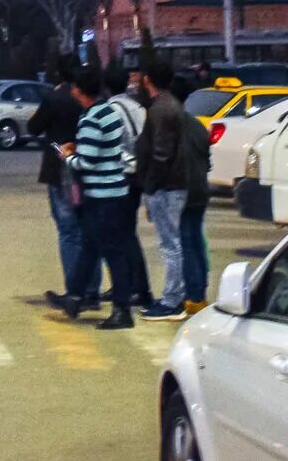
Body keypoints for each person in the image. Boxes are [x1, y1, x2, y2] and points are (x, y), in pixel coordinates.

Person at [60, 77, 135, 329]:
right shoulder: (110, 112)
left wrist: (68, 157)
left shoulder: (90, 118)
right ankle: (75, 297)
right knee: (91, 246)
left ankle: (122, 310)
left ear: (79, 90)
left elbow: (87, 162)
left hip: (101, 196)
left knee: (111, 251)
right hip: (116, 191)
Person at [30, 61, 100, 308]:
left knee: (69, 231)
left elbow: (33, 127)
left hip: (61, 168)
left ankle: (75, 290)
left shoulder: (55, 98)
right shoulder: (96, 101)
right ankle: (92, 289)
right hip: (89, 168)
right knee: (87, 230)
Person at [136, 59, 190, 321]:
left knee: (170, 244)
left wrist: (150, 186)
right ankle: (174, 296)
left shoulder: (161, 109)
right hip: (173, 184)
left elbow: (161, 153)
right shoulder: (170, 106)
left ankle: (172, 300)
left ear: (148, 80)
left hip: (167, 186)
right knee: (173, 243)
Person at [104, 68, 153, 310]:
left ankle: (138, 288)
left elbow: (113, 146)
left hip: (122, 174)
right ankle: (125, 284)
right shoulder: (139, 108)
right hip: (139, 175)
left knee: (122, 235)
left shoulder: (111, 111)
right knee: (126, 232)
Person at [179, 109, 213, 316]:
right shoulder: (198, 124)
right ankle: (199, 292)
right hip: (201, 189)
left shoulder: (174, 126)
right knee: (196, 241)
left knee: (186, 244)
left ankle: (192, 294)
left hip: (184, 191)